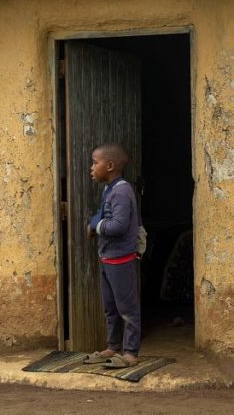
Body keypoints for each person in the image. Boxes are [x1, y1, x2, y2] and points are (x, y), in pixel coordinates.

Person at [82, 142, 141, 369]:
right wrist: (96, 221)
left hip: (121, 260)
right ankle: (113, 346)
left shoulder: (122, 190)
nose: (91, 168)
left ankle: (131, 353)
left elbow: (117, 225)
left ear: (109, 165)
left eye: (94, 163)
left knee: (127, 309)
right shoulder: (109, 190)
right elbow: (102, 215)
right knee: (111, 307)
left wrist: (94, 226)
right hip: (107, 259)